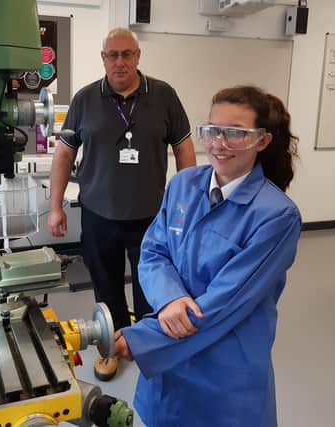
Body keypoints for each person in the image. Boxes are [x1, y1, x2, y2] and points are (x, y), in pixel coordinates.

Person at [113, 86, 302, 426]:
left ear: (262, 140)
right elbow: (153, 251)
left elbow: (226, 303)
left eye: (235, 133)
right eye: (212, 130)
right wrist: (170, 300)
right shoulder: (184, 184)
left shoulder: (277, 216)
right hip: (172, 353)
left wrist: (141, 339)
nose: (219, 143)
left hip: (225, 366)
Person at [47, 27, 196, 381]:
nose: (120, 62)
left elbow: (185, 151)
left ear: (138, 56)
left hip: (151, 217)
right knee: (106, 285)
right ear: (103, 59)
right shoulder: (85, 99)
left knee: (152, 286)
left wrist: (188, 206)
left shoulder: (164, 96)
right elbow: (64, 155)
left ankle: (147, 347)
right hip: (99, 214)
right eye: (112, 55)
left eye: (126, 54)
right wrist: (55, 206)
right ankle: (111, 348)